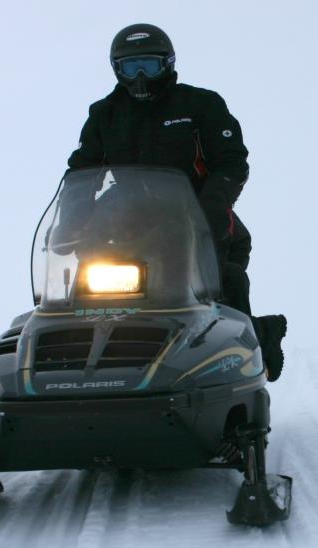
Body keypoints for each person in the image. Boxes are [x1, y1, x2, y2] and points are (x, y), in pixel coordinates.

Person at [66, 23, 286, 380]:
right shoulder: (104, 114)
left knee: (219, 289)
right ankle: (80, 370)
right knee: (91, 287)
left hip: (199, 216)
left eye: (149, 66)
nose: (140, 77)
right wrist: (68, 225)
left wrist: (212, 208)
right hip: (126, 221)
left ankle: (253, 349)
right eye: (130, 67)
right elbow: (82, 171)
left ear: (167, 64)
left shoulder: (200, 104)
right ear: (116, 69)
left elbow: (232, 160)